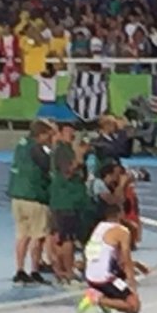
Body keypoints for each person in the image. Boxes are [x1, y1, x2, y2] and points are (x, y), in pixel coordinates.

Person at [8, 119, 54, 286]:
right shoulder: (38, 149)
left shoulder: (21, 145)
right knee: (38, 236)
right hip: (34, 196)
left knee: (22, 235)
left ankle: (20, 270)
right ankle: (35, 270)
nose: (50, 138)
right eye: (49, 135)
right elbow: (49, 166)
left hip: (17, 196)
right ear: (41, 134)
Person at [77, 201, 141, 313]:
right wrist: (132, 285)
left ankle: (103, 297)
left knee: (123, 295)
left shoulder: (99, 228)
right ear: (120, 214)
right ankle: (96, 299)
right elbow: (126, 259)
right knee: (134, 307)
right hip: (104, 278)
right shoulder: (122, 231)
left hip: (91, 276)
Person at [49, 121, 91, 286]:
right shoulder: (62, 150)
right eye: (68, 130)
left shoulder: (66, 149)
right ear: (60, 132)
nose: (72, 133)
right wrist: (80, 156)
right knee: (67, 238)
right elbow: (68, 172)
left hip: (70, 200)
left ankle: (63, 270)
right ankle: (66, 271)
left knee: (65, 237)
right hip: (66, 200)